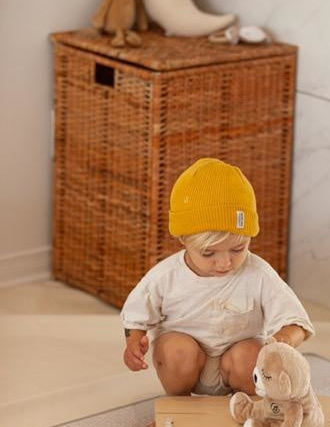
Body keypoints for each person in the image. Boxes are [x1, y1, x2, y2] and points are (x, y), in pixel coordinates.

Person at [121, 157, 314, 402]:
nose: (225, 263)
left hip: (240, 366)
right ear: (184, 240)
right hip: (186, 363)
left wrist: (282, 341)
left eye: (238, 249)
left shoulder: (258, 273)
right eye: (208, 253)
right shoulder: (166, 276)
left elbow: (297, 323)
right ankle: (179, 405)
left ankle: (247, 406)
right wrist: (134, 343)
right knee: (175, 349)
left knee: (253, 355)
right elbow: (136, 315)